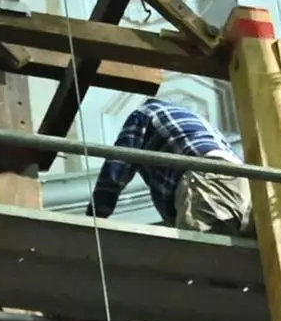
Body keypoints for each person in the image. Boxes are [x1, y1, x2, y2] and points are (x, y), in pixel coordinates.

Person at [88, 87, 249, 233]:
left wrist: (95, 216)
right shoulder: (195, 121)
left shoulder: (144, 113)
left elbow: (118, 164)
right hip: (241, 182)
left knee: (205, 253)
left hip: (205, 179)